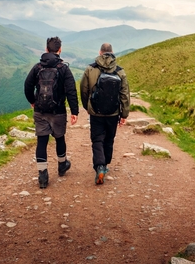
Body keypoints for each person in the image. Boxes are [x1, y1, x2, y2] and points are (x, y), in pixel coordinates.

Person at [24, 36, 79, 189]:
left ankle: (43, 176)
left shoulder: (37, 67)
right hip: (58, 110)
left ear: (46, 49)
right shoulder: (64, 68)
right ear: (59, 50)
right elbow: (71, 91)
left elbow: (27, 86)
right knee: (59, 138)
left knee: (42, 141)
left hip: (40, 110)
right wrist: (75, 111)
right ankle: (62, 166)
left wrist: (33, 101)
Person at [80, 43, 130, 185]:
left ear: (100, 52)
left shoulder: (90, 69)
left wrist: (87, 106)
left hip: (95, 112)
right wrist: (124, 114)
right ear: (112, 52)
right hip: (113, 113)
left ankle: (100, 166)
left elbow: (84, 90)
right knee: (109, 139)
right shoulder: (120, 71)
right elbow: (124, 94)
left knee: (97, 139)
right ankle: (105, 164)